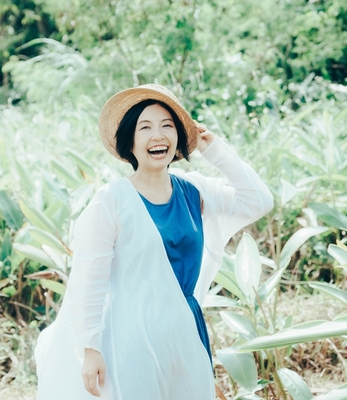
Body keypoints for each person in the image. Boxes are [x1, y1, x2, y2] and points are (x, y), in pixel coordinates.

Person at [34, 84, 273, 399]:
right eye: (144, 127)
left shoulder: (194, 191)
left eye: (167, 126)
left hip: (184, 330)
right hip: (131, 333)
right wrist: (90, 348)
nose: (157, 136)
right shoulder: (112, 200)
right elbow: (89, 277)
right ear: (129, 142)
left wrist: (215, 150)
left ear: (178, 138)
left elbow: (258, 201)